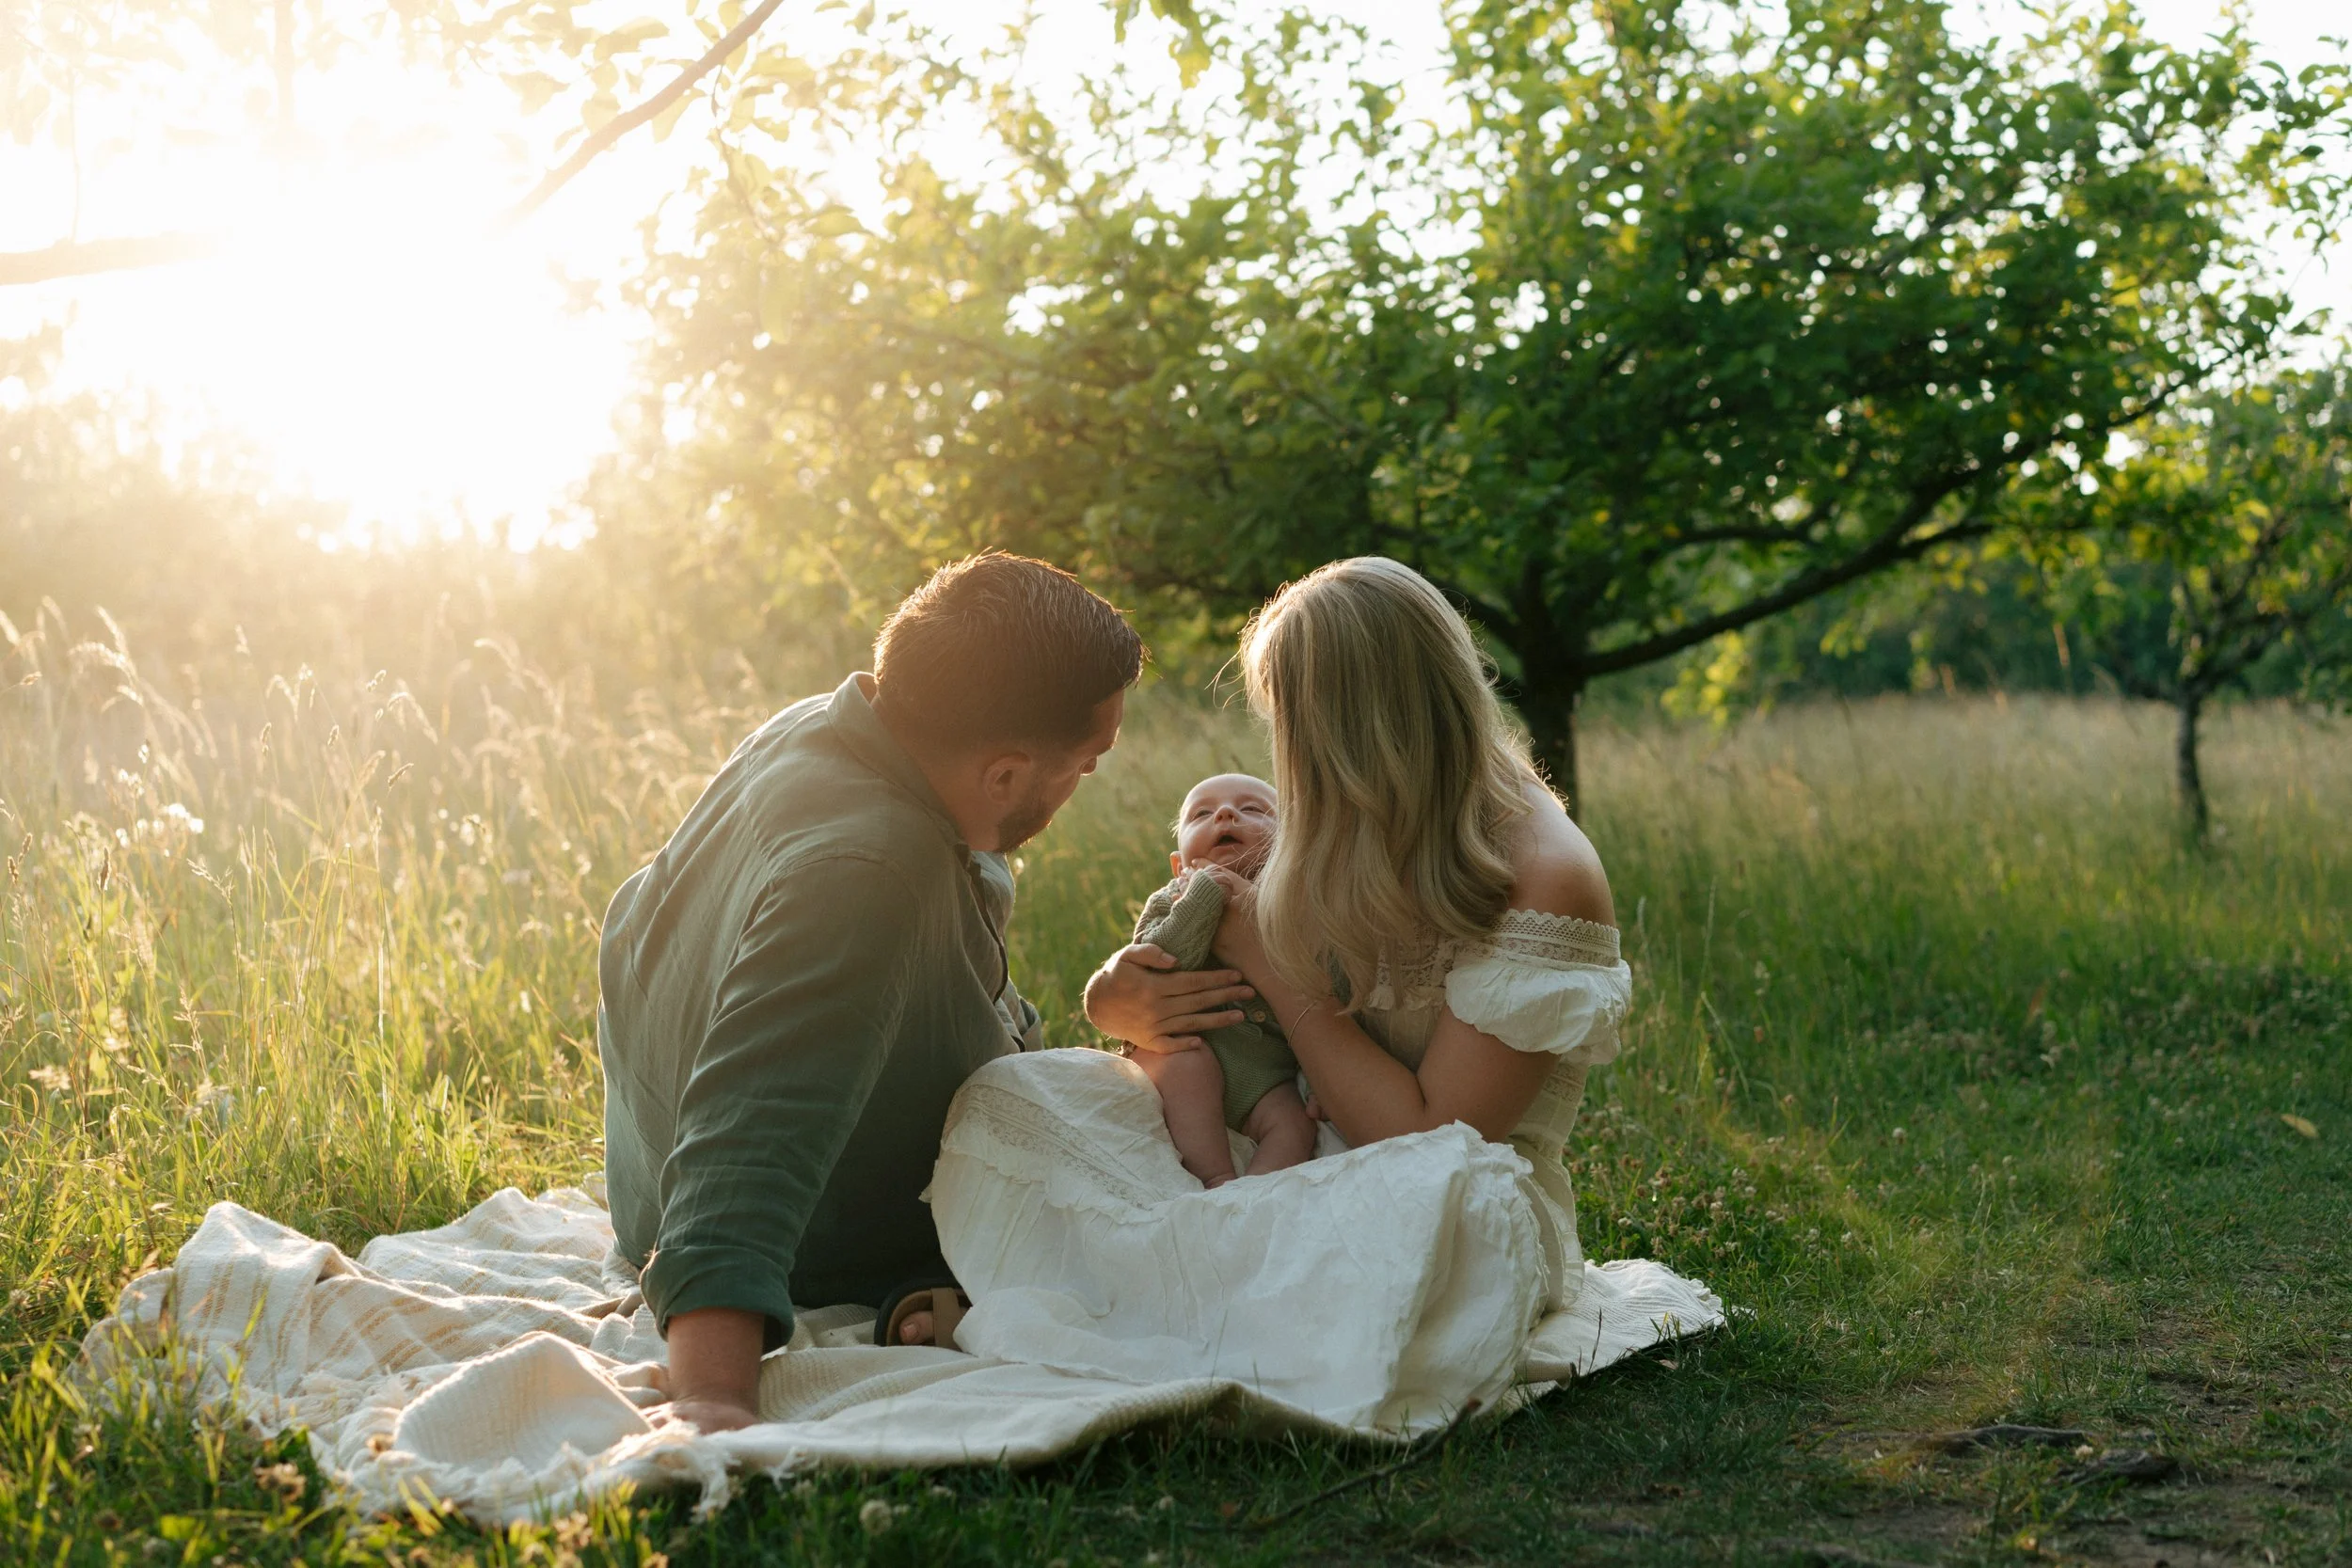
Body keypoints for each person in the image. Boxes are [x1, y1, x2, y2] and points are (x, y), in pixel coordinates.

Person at [922, 556, 1642, 1421]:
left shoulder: (1546, 875)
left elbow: (1428, 1137)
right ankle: (1151, 1278)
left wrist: (1264, 960)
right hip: (1298, 1146)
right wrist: (1120, 1002)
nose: (1284, 752)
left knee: (1417, 1216)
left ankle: (1117, 1296)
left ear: (1349, 723)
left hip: (1436, 1197)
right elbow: (1187, 977)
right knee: (1018, 1096)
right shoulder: (1342, 814)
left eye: (1292, 722)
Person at [596, 552, 1144, 1433]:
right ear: (1003, 775)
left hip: (641, 1186)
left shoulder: (819, 726)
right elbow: (756, 1122)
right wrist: (712, 1392)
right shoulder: (873, 868)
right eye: (1087, 762)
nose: (1087, 783)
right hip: (799, 1237)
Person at [1124, 773, 1316, 1187]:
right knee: (1185, 1069)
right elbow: (1159, 962)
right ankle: (1216, 1182)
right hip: (1187, 1050)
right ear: (1179, 864)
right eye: (1201, 814)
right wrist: (1203, 897)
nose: (1226, 814)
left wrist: (1322, 1081)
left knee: (1297, 1126)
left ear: (1292, 846)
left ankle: (1254, 1199)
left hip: (1266, 1077)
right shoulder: (1172, 898)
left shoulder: (1299, 909)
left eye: (1251, 810)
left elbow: (1324, 985)